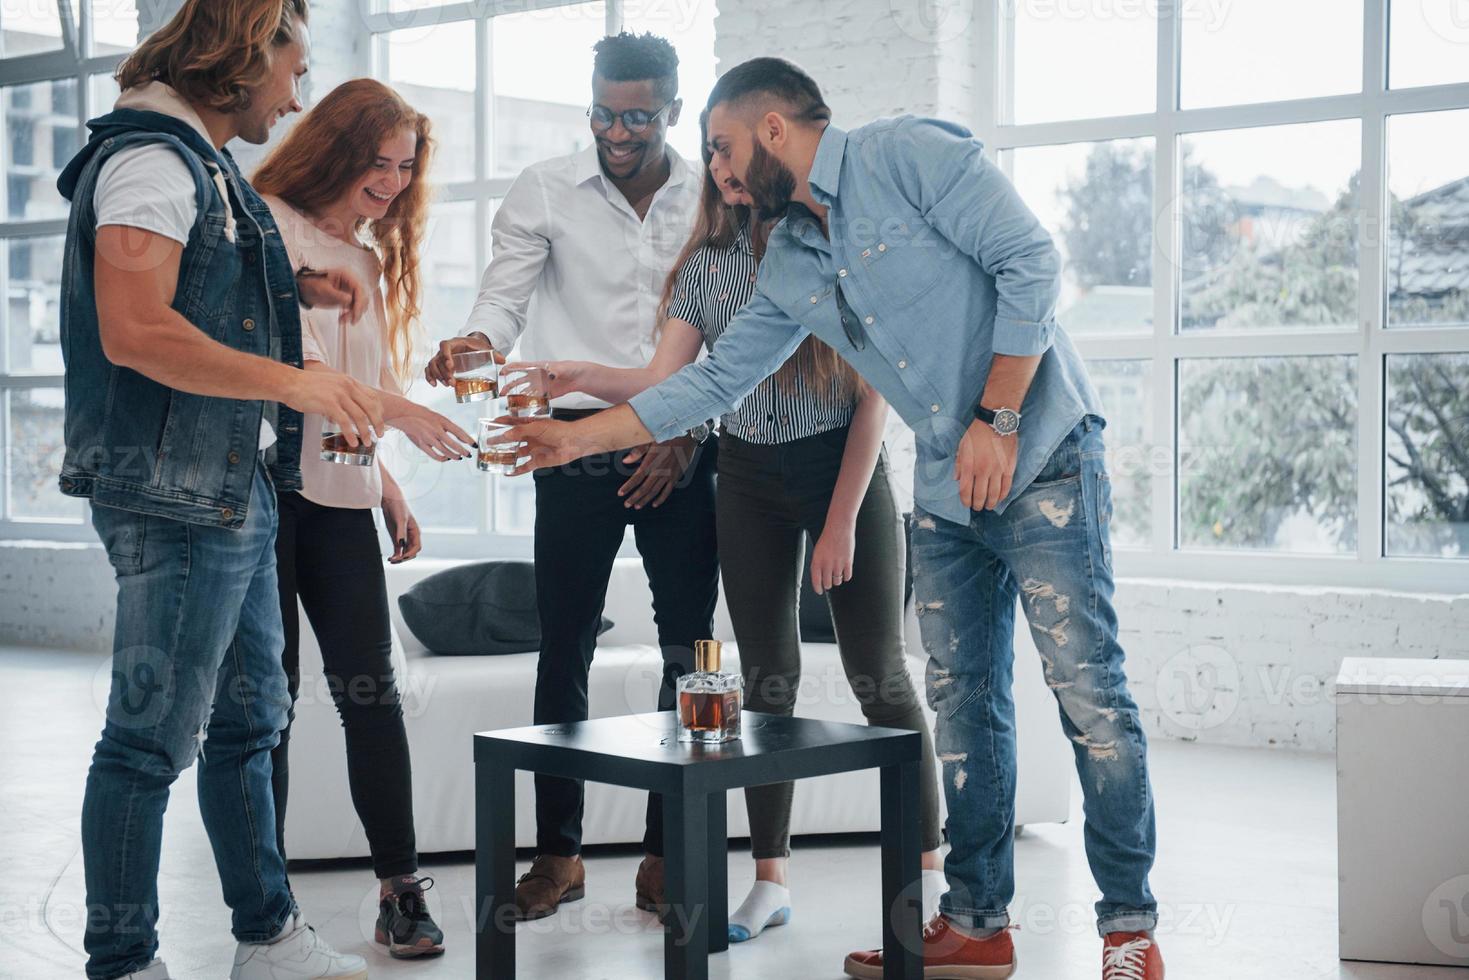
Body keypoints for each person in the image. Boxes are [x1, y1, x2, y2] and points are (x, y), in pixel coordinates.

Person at [495, 58, 1165, 980]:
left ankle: (1127, 930)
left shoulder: (906, 154)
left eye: (725, 150)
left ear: (773, 129)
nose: (720, 175)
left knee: (1088, 695)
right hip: (945, 487)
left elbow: (1031, 262)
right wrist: (576, 440)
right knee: (964, 706)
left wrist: (995, 419)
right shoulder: (795, 257)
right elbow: (714, 380)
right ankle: (975, 922)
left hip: (1042, 452)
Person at [56, 2, 444, 977]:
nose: (297, 93)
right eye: (294, 68)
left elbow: (201, 298)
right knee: (150, 741)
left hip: (236, 487)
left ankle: (267, 935)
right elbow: (134, 328)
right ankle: (123, 957)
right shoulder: (152, 158)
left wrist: (298, 303)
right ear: (242, 56)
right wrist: (300, 378)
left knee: (248, 723)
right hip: (178, 492)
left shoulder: (204, 167)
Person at [504, 107, 946, 943]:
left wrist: (844, 518)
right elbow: (664, 384)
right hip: (745, 478)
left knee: (879, 673)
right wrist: (581, 375)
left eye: (729, 147)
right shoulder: (703, 269)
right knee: (760, 680)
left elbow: (871, 397)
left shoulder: (827, 250)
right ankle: (770, 880)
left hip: (838, 472)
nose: (721, 165)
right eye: (710, 152)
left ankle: (926, 878)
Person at [422, 32, 714, 920]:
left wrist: (683, 425)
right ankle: (559, 855)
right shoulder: (545, 187)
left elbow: (735, 327)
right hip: (574, 439)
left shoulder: (714, 194)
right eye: (600, 111)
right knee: (564, 643)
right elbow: (503, 302)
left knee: (689, 650)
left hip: (684, 437)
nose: (615, 131)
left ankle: (670, 853)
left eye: (636, 115)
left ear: (670, 107)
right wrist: (474, 346)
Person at [253, 77, 473, 961]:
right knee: (263, 705)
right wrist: (407, 415)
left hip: (338, 500)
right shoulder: (267, 222)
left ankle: (399, 890)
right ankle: (265, 910)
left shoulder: (371, 263)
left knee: (369, 698)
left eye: (403, 167)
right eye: (374, 161)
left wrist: (386, 484)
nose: (388, 181)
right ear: (333, 148)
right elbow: (294, 364)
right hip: (263, 497)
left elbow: (352, 394)